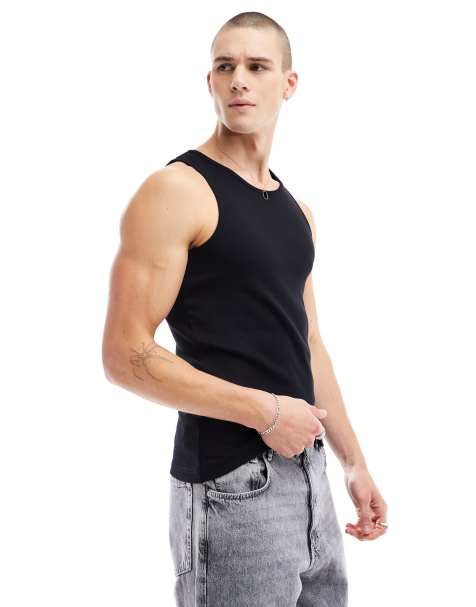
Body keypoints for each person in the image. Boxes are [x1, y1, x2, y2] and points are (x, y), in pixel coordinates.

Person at [102, 10, 388, 607]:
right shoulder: (177, 191)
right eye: (225, 66)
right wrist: (265, 412)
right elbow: (125, 355)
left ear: (288, 83)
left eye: (258, 67)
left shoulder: (297, 212)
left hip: (310, 480)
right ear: (209, 81)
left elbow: (309, 343)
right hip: (230, 485)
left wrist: (353, 463)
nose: (239, 80)